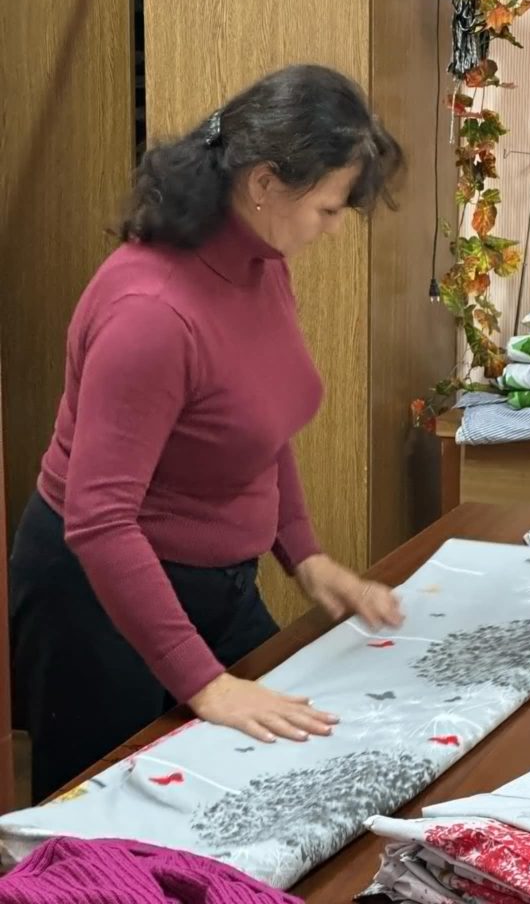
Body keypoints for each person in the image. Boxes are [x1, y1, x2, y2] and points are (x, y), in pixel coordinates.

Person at [10, 64, 406, 804]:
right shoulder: (152, 313)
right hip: (97, 600)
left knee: (277, 773)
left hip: (219, 583)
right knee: (105, 833)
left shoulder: (262, 263)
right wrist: (205, 685)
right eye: (327, 208)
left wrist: (306, 556)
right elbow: (99, 521)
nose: (334, 227)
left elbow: (264, 423)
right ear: (263, 183)